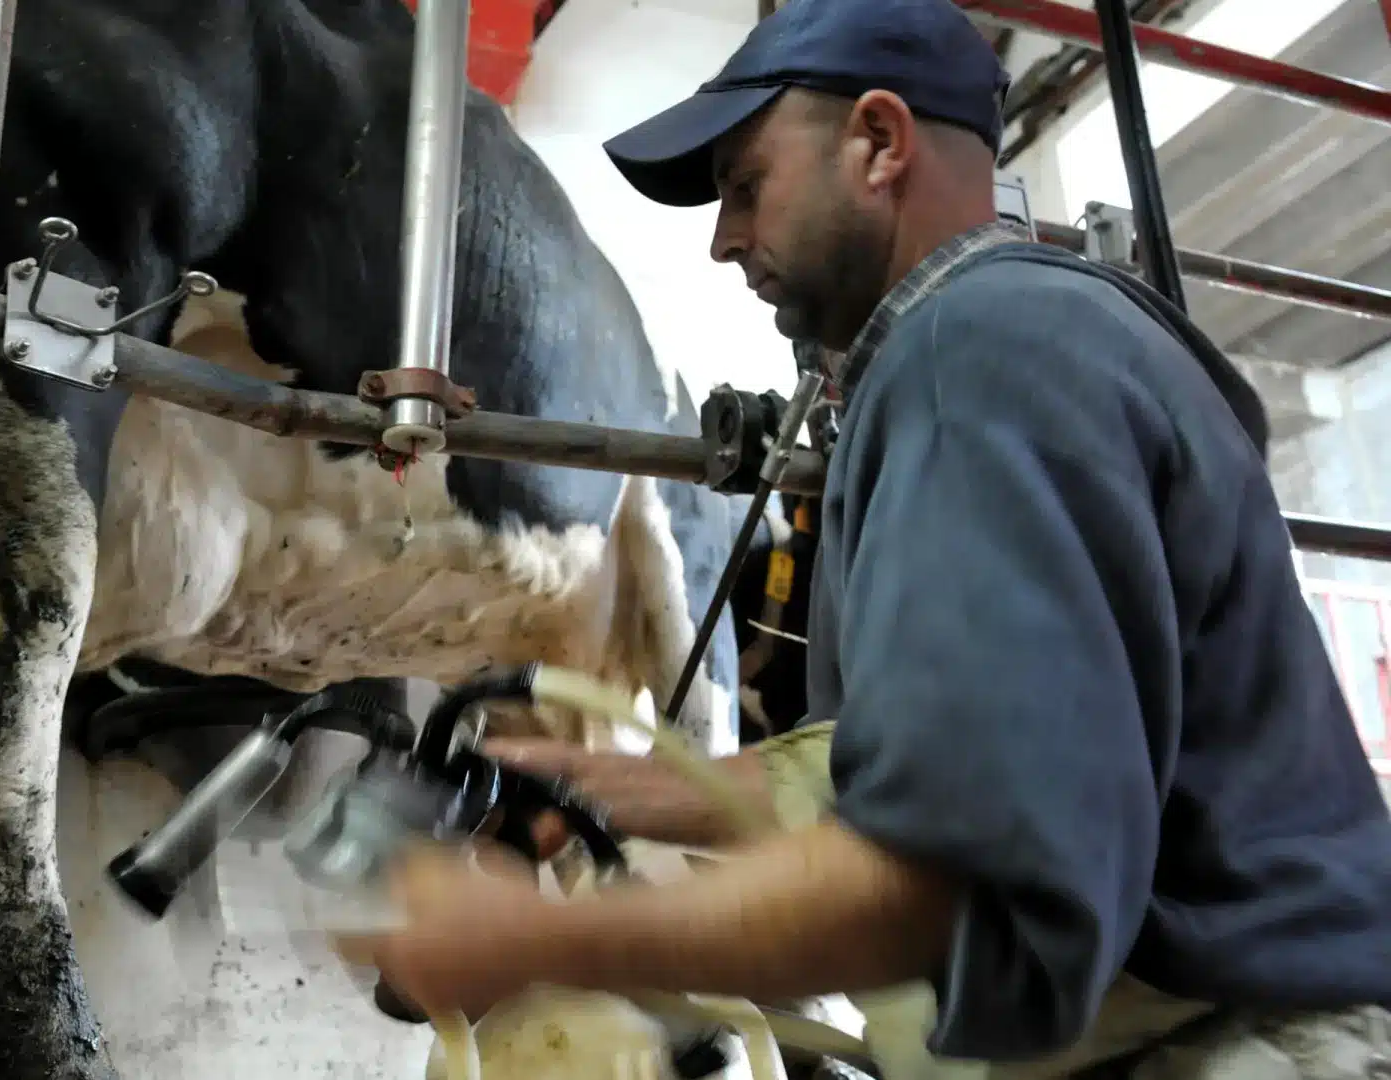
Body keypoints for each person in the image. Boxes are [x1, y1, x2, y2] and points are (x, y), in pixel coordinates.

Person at [337, 0, 1391, 1074]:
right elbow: (936, 765)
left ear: (880, 143)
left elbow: (944, 876)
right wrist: (605, 787)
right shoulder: (1030, 342)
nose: (722, 240)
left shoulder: (975, 358)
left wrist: (536, 939)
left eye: (747, 186)